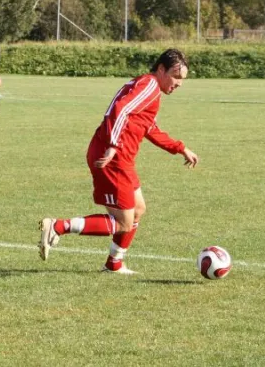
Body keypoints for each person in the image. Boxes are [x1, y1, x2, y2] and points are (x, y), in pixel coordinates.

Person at [38, 49, 199, 274]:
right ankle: (57, 226)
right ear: (161, 69)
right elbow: (119, 109)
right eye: (176, 76)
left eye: (182, 79)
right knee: (123, 221)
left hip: (119, 156)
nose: (179, 83)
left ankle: (114, 263)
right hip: (113, 157)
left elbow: (148, 127)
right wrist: (113, 145)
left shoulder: (149, 87)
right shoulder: (150, 86)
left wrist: (180, 148)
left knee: (139, 209)